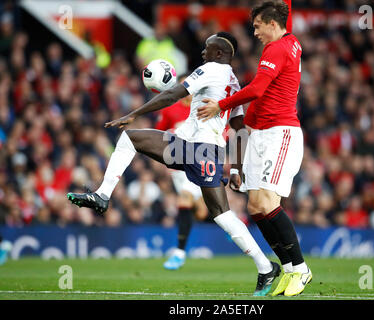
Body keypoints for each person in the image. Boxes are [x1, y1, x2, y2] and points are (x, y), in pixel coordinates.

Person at [67, 32, 281, 296]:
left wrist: (133, 114)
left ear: (218, 53)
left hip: (197, 148)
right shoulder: (233, 82)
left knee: (130, 138)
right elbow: (239, 128)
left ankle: (102, 195)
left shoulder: (211, 69)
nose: (202, 52)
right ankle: (265, 268)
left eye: (207, 48)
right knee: (221, 214)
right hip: (206, 151)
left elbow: (173, 95)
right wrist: (236, 167)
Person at [197, 1, 312, 297]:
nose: (255, 31)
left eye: (258, 25)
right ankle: (287, 269)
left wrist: (221, 105)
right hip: (260, 134)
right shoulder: (290, 41)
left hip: (279, 132)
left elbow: (258, 89)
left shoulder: (277, 49)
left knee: (268, 204)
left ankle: (300, 269)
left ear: (273, 24)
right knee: (254, 206)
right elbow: (284, 8)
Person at [154, 74, 208, 270]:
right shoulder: (171, 110)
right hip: (177, 168)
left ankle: (179, 253)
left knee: (184, 199)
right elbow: (158, 135)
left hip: (197, 164)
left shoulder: (204, 108)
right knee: (201, 212)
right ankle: (223, 216)